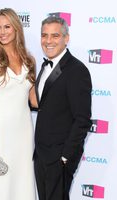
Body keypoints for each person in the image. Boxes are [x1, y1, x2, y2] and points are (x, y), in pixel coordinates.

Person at [0, 8, 37, 200]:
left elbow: (34, 101)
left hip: (24, 134)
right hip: (1, 135)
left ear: (16, 29)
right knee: (1, 186)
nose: (2, 32)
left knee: (23, 182)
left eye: (7, 27)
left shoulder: (29, 60)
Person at [34, 16, 92, 200]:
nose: (48, 41)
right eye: (44, 35)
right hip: (41, 154)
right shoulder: (44, 67)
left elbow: (82, 120)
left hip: (59, 157)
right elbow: (42, 105)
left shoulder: (77, 70)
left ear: (66, 39)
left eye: (55, 36)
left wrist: (65, 157)